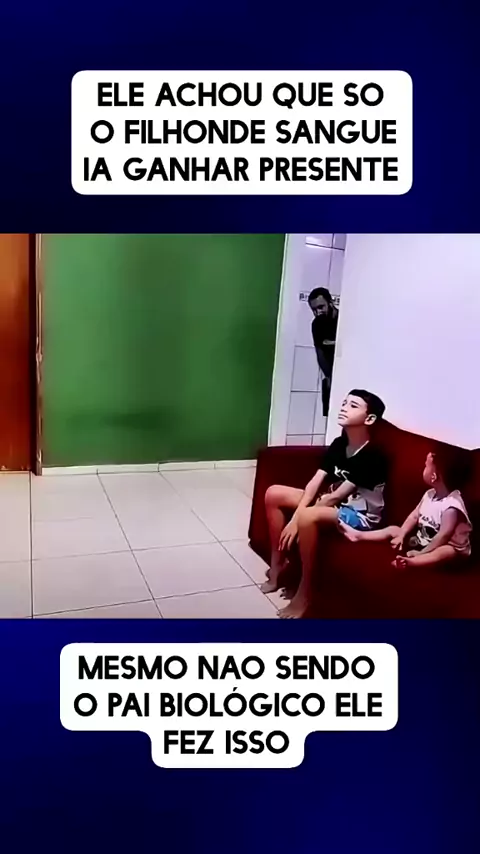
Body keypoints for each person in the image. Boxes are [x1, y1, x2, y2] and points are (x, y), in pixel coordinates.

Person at [263, 389, 388, 618]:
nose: (344, 408)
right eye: (344, 403)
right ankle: (277, 566)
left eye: (353, 406)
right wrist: (296, 517)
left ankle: (305, 594)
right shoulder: (340, 444)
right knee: (274, 493)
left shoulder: (373, 455)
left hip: (360, 516)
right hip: (334, 504)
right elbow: (315, 482)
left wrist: (298, 519)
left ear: (369, 419)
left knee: (307, 516)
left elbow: (336, 497)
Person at [340, 450, 472, 568]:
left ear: (434, 476)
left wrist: (422, 553)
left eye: (426, 466)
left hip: (447, 546)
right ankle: (359, 535)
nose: (424, 467)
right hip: (424, 539)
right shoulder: (429, 494)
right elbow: (414, 516)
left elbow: (443, 536)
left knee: (445, 552)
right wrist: (402, 534)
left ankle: (412, 562)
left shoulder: (451, 507)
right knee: (394, 529)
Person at [308, 287, 339, 416]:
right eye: (314, 310)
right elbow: (320, 353)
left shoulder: (344, 319)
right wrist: (329, 377)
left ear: (330, 303)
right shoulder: (316, 325)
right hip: (331, 375)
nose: (318, 312)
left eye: (321, 307)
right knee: (331, 415)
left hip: (349, 373)